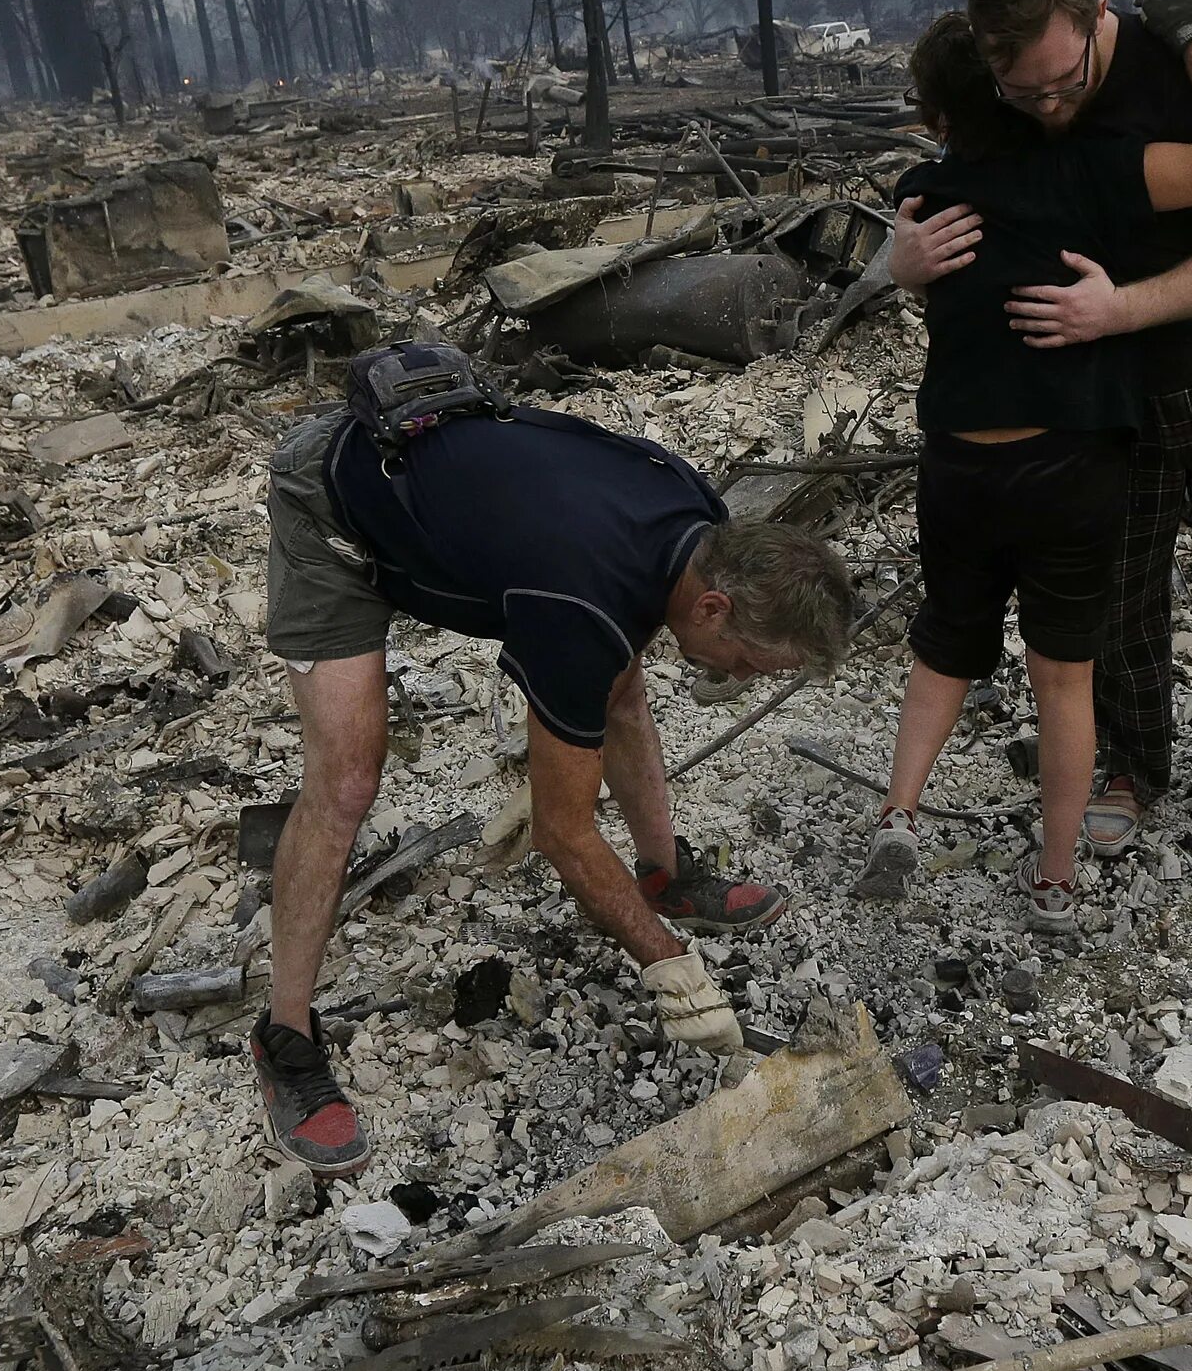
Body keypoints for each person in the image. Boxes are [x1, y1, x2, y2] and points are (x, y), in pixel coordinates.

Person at [253, 369, 855, 1174]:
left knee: (623, 686)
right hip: (338, 507)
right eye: (750, 661)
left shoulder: (701, 523)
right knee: (349, 777)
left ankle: (663, 872)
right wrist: (671, 969)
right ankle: (284, 1040)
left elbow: (608, 655)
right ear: (713, 608)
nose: (742, 677)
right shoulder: (586, 604)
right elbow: (562, 833)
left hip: (450, 476)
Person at [889, 0, 1192, 861]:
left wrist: (1120, 310)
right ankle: (1132, 764)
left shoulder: (1180, 75)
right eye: (1026, 92)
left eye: (1066, 83)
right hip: (1099, 409)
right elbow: (978, 219)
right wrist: (906, 266)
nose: (1050, 106)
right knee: (1117, 609)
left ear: (1097, 17)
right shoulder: (1009, 91)